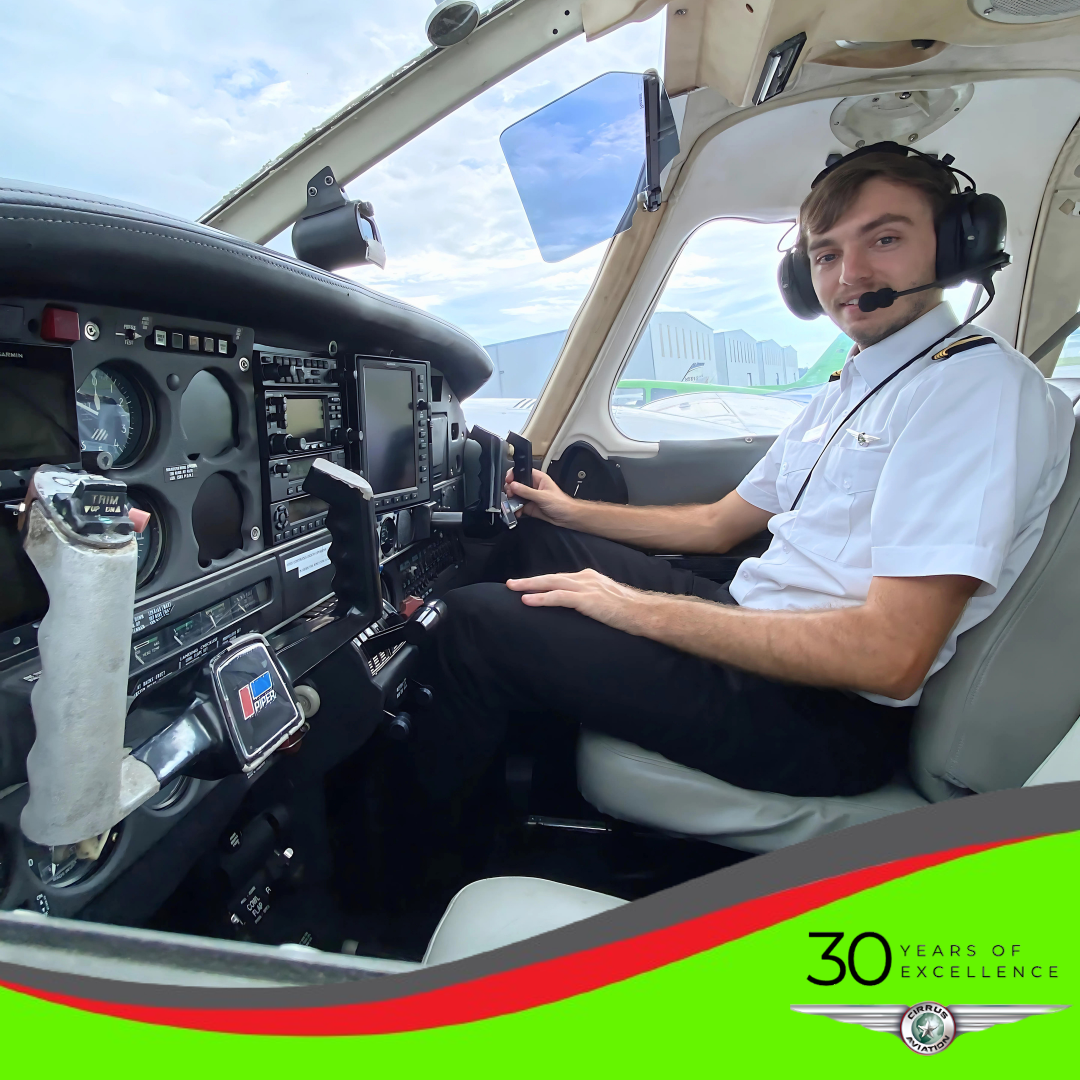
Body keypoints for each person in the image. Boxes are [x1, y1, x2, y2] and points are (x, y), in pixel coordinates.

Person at [417, 149, 1073, 801]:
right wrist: (566, 511)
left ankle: (396, 887)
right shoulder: (854, 386)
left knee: (473, 626)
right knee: (530, 543)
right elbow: (718, 523)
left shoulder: (974, 390)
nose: (852, 274)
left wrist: (635, 609)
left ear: (956, 246)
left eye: (886, 238)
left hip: (822, 713)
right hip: (755, 621)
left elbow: (890, 658)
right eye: (825, 255)